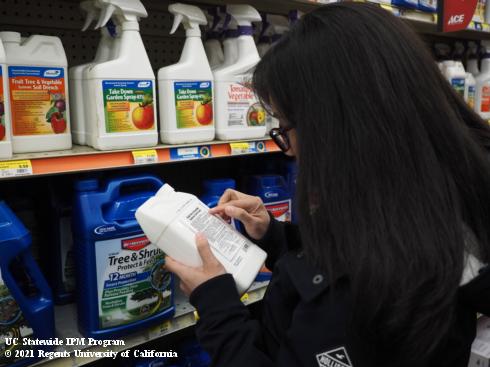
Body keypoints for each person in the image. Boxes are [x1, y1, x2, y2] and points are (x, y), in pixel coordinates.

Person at [164, 2, 490, 367]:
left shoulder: (371, 287)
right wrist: (276, 235)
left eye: (285, 128)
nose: (289, 151)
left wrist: (215, 304)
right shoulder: (429, 197)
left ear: (337, 128)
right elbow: (357, 248)